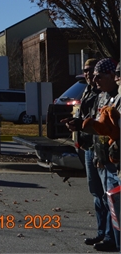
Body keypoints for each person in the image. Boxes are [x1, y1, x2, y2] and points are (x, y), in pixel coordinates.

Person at [62, 58, 110, 248]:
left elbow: (102, 123)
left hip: (101, 148)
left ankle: (109, 236)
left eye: (92, 71)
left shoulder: (105, 93)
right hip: (87, 146)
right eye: (86, 71)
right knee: (96, 193)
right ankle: (101, 232)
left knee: (107, 195)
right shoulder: (88, 90)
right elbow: (85, 117)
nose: (90, 75)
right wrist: (75, 123)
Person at [80, 58, 121, 251]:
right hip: (102, 157)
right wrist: (98, 156)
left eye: (99, 75)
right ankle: (104, 234)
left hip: (116, 160)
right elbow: (100, 128)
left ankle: (113, 239)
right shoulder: (102, 97)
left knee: (114, 203)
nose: (95, 80)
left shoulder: (119, 98)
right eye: (93, 75)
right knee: (102, 198)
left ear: (113, 76)